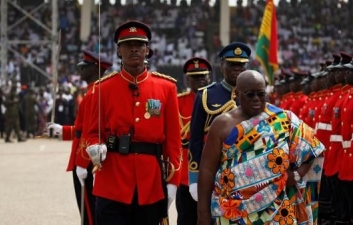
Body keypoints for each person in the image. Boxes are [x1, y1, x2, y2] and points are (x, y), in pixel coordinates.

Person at [84, 20, 182, 225]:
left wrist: (173, 181)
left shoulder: (166, 88)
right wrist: (94, 147)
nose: (134, 48)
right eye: (128, 45)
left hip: (151, 183)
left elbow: (173, 142)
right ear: (119, 51)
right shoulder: (102, 89)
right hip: (112, 180)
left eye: (139, 44)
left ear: (147, 50)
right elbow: (92, 133)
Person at [197, 70, 325, 225]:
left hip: (277, 209)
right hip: (232, 212)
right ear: (237, 93)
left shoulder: (284, 119)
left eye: (261, 94)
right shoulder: (221, 124)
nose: (256, 99)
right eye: (250, 94)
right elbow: (207, 169)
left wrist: (296, 175)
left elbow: (313, 149)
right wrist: (202, 213)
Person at [46, 50, 113, 225]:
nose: (80, 69)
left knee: (89, 213)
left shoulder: (95, 93)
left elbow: (92, 133)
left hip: (87, 158)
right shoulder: (91, 92)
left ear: (96, 68)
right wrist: (63, 130)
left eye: (85, 67)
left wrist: (83, 163)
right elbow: (82, 129)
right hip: (85, 155)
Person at [188, 42, 251, 203]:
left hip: (249, 169)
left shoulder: (255, 95)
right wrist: (194, 178)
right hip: (214, 169)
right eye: (232, 64)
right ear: (222, 66)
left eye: (241, 65)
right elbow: (195, 139)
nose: (237, 69)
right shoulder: (207, 94)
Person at [176, 57, 211, 225]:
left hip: (211, 163)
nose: (200, 80)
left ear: (209, 77)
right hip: (185, 167)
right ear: (187, 79)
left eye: (203, 76)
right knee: (186, 216)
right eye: (195, 77)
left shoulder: (218, 101)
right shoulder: (178, 101)